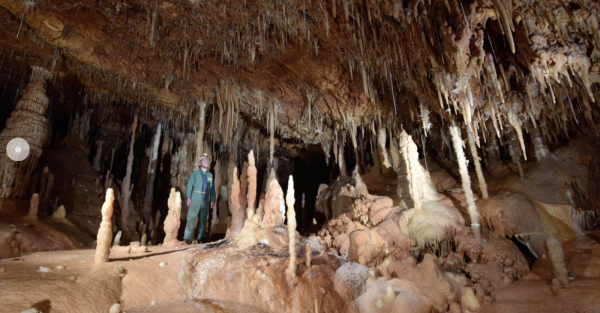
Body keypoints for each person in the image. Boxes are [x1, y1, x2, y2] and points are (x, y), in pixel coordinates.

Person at [184, 155, 216, 243]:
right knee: (191, 217)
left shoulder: (210, 175)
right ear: (199, 164)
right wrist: (188, 197)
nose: (206, 161)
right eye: (203, 160)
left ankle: (201, 237)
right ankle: (187, 237)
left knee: (203, 219)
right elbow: (189, 185)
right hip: (195, 197)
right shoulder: (195, 174)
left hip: (206, 198)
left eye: (207, 160)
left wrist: (213, 199)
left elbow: (212, 188)